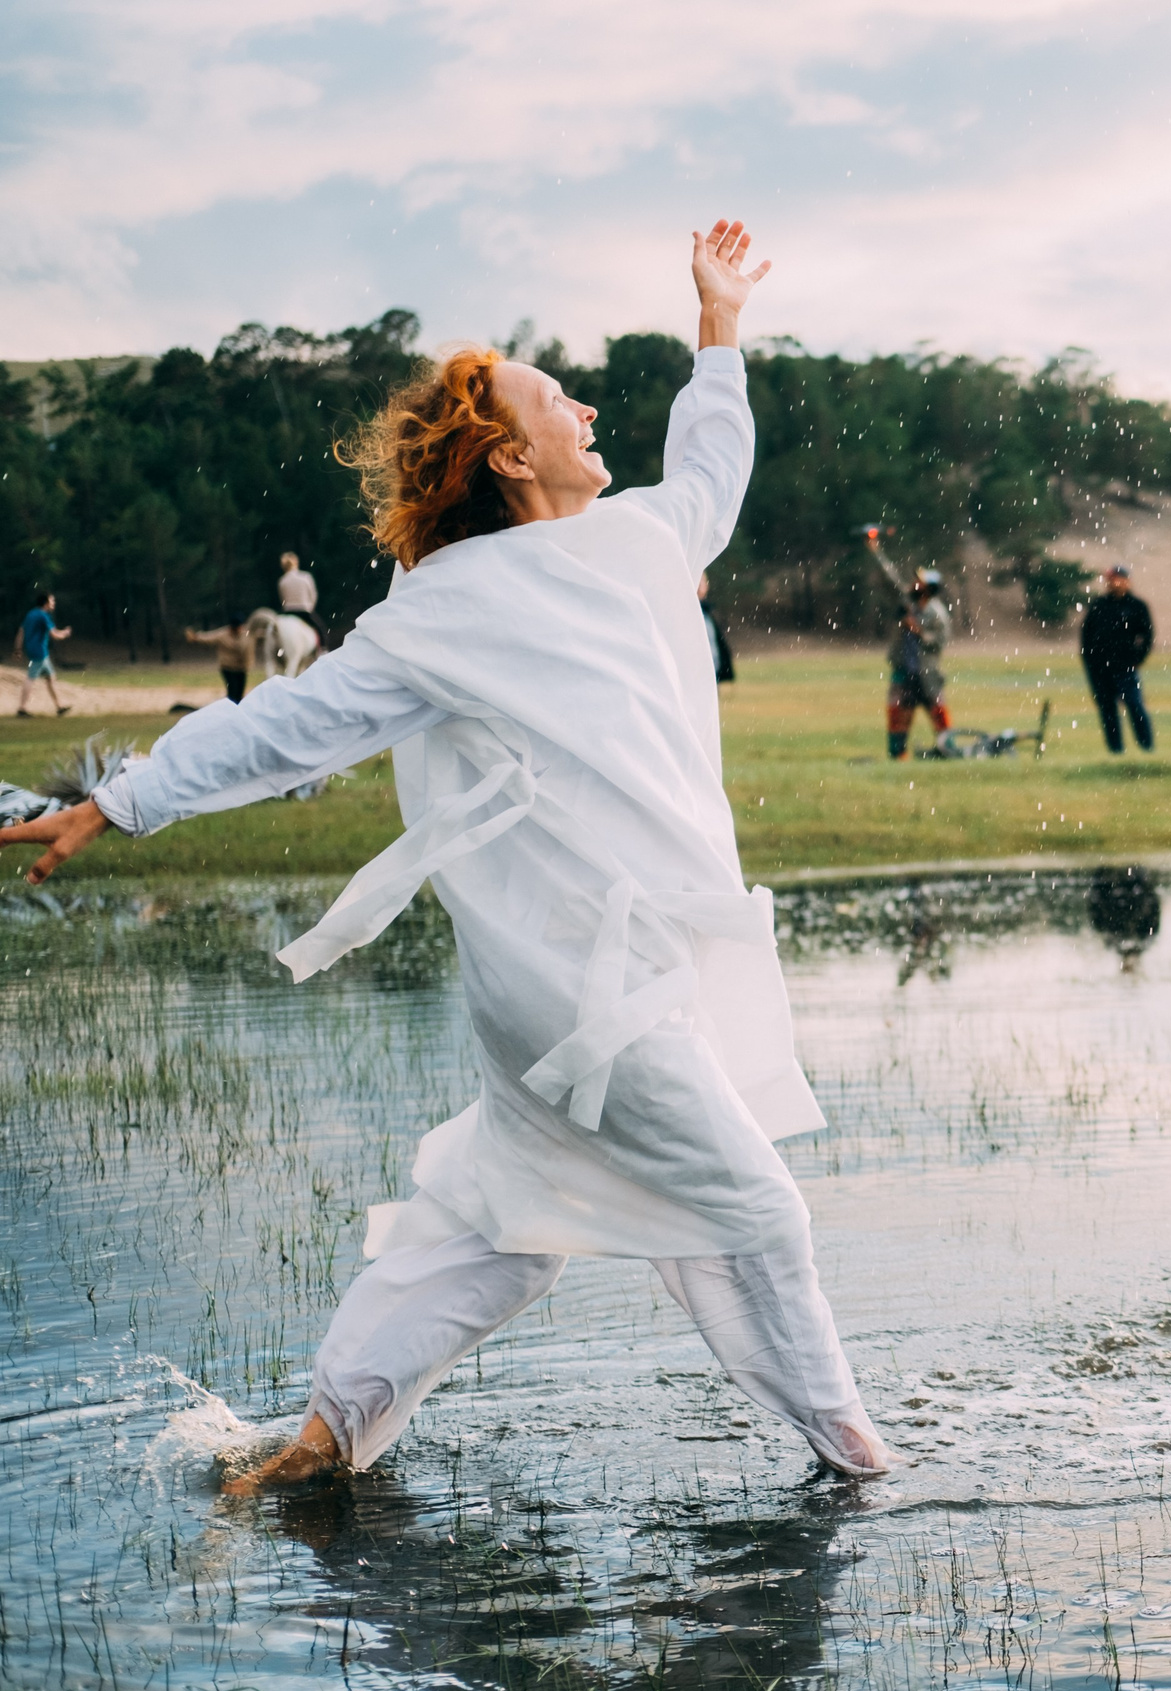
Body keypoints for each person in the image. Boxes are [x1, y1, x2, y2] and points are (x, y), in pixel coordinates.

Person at [0, 219, 896, 1494]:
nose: (588, 407)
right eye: (556, 400)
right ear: (510, 456)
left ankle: (318, 1443)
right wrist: (121, 803)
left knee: (503, 1229)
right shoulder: (447, 609)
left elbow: (711, 469)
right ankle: (858, 1469)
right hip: (581, 991)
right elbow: (285, 727)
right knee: (755, 1212)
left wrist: (720, 327)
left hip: (627, 972)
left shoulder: (636, 542)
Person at [1078, 564, 1154, 753]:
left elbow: (1147, 636)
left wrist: (1137, 658)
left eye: (1117, 579)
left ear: (1127, 581)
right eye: (1110, 580)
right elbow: (1086, 635)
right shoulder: (1098, 605)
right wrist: (1089, 661)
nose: (1114, 584)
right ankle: (1116, 750)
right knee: (1108, 710)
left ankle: (1146, 747)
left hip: (1125, 666)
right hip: (1099, 668)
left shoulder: (1137, 606)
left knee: (1135, 705)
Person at [886, 569, 951, 759]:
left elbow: (940, 641)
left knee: (939, 715)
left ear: (927, 589)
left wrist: (919, 631)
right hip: (905, 671)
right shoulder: (910, 604)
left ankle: (948, 751)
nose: (914, 583)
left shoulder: (937, 613)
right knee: (898, 715)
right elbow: (892, 578)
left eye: (919, 582)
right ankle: (898, 755)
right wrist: (875, 550)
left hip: (927, 674)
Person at [16, 594, 70, 717]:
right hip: (39, 652)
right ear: (45, 603)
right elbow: (55, 635)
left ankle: (59, 707)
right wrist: (65, 633)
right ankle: (22, 709)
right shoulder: (43, 616)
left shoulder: (31, 614)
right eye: (52, 601)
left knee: (51, 678)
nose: (53, 603)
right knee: (30, 679)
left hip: (37, 652)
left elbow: (21, 631)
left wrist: (18, 649)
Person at [184, 614, 258, 703]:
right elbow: (208, 637)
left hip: (241, 668)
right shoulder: (223, 635)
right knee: (232, 691)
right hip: (228, 668)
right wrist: (196, 637)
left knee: (239, 692)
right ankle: (230, 709)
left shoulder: (247, 633)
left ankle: (237, 709)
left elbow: (260, 635)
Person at [697, 572, 735, 684]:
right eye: (698, 582)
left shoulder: (708, 612)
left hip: (713, 672)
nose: (700, 586)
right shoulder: (690, 613)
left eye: (702, 582)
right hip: (699, 673)